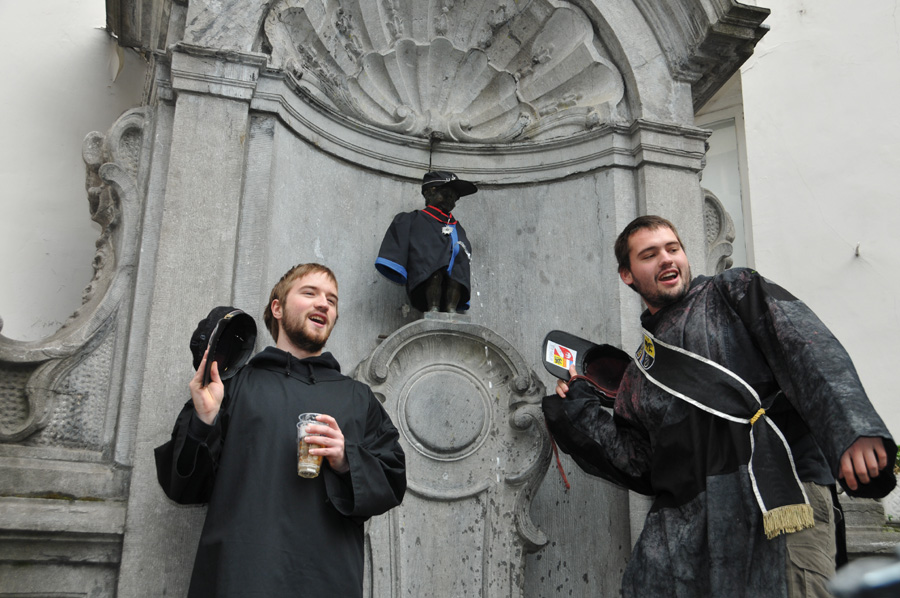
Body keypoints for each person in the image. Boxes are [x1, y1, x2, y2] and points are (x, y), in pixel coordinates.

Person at [542, 215, 896, 598]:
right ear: (627, 275)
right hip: (690, 527)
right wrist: (575, 412)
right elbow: (639, 463)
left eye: (672, 249)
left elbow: (805, 347)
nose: (666, 259)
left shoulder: (733, 290)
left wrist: (851, 429)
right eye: (649, 254)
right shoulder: (638, 377)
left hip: (778, 497)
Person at [154, 263, 407, 598]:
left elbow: (393, 480)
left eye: (331, 300)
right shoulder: (232, 388)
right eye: (310, 293)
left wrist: (347, 460)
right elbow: (182, 487)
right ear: (277, 307)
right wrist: (204, 421)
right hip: (240, 577)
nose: (324, 304)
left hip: (328, 581)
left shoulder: (358, 398)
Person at [375, 170, 476, 313]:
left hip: (453, 277)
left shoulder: (456, 226)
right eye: (446, 194)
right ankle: (433, 307)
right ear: (430, 193)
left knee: (457, 274)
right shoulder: (413, 220)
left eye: (455, 197)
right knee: (433, 268)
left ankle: (451, 308)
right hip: (428, 275)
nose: (451, 201)